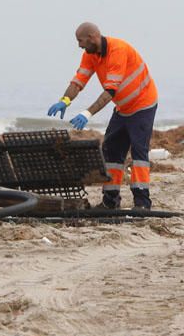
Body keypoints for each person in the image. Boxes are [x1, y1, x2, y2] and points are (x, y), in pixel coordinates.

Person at [47, 22, 158, 209]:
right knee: (111, 150)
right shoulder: (90, 55)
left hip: (142, 105)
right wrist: (65, 100)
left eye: (80, 41)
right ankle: (110, 201)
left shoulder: (118, 50)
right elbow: (78, 81)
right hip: (123, 108)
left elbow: (110, 92)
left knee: (139, 153)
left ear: (92, 37)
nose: (79, 46)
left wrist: (87, 113)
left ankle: (142, 202)